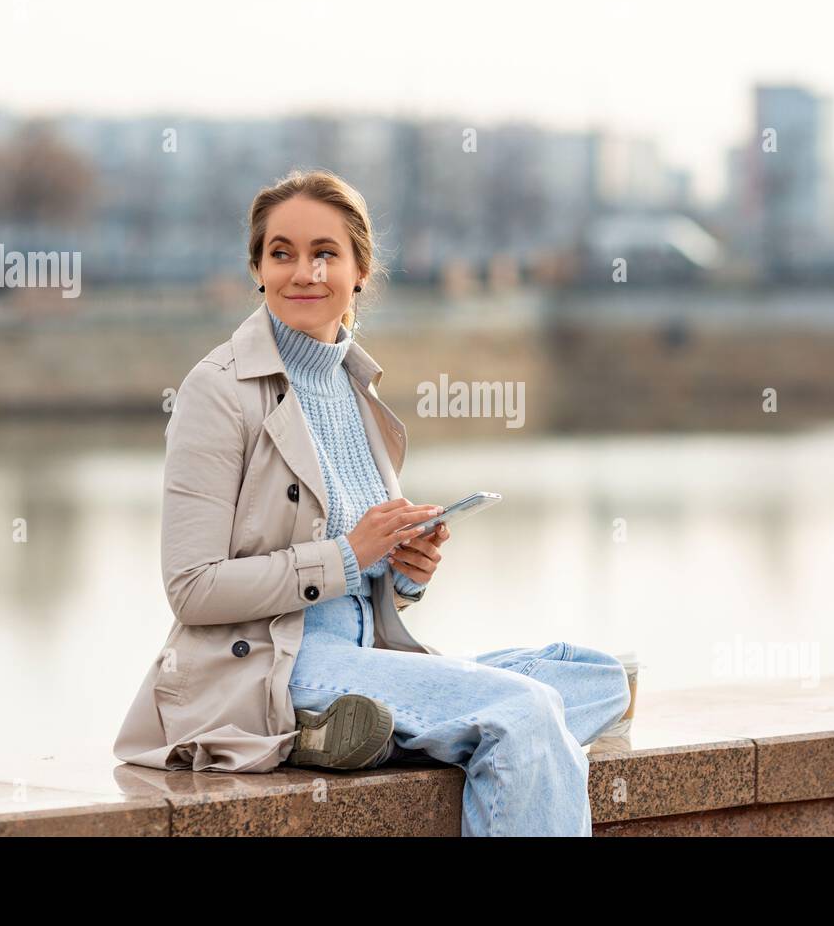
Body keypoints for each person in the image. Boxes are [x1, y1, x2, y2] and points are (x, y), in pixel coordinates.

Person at [117, 168, 631, 836]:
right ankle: (307, 724)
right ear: (258, 269)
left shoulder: (359, 390)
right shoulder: (216, 391)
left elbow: (364, 585)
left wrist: (405, 572)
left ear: (359, 270)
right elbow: (191, 587)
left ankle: (350, 732)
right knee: (527, 713)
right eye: (283, 253)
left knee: (600, 679)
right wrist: (346, 554)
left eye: (325, 253)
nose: (304, 271)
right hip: (277, 664)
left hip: (369, 655)